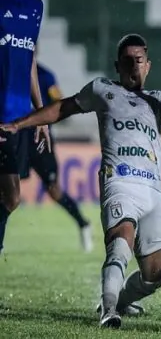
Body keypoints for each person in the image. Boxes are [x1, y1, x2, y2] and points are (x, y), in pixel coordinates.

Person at [0, 33, 161, 328]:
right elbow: (62, 108)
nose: (133, 66)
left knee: (155, 276)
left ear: (149, 66)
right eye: (127, 61)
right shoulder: (103, 90)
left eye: (139, 61)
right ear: (117, 65)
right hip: (119, 182)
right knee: (120, 245)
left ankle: (122, 300)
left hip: (154, 192)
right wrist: (21, 123)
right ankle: (108, 310)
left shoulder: (158, 101)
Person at [20, 60, 93, 252]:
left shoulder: (45, 75)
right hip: (16, 138)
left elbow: (58, 101)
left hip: (40, 140)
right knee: (8, 190)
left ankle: (83, 223)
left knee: (54, 189)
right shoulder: (10, 70)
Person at [0, 0, 50, 254]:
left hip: (20, 118)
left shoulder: (35, 5)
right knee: (12, 196)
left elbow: (29, 59)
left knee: (9, 197)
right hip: (1, 117)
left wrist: (39, 114)